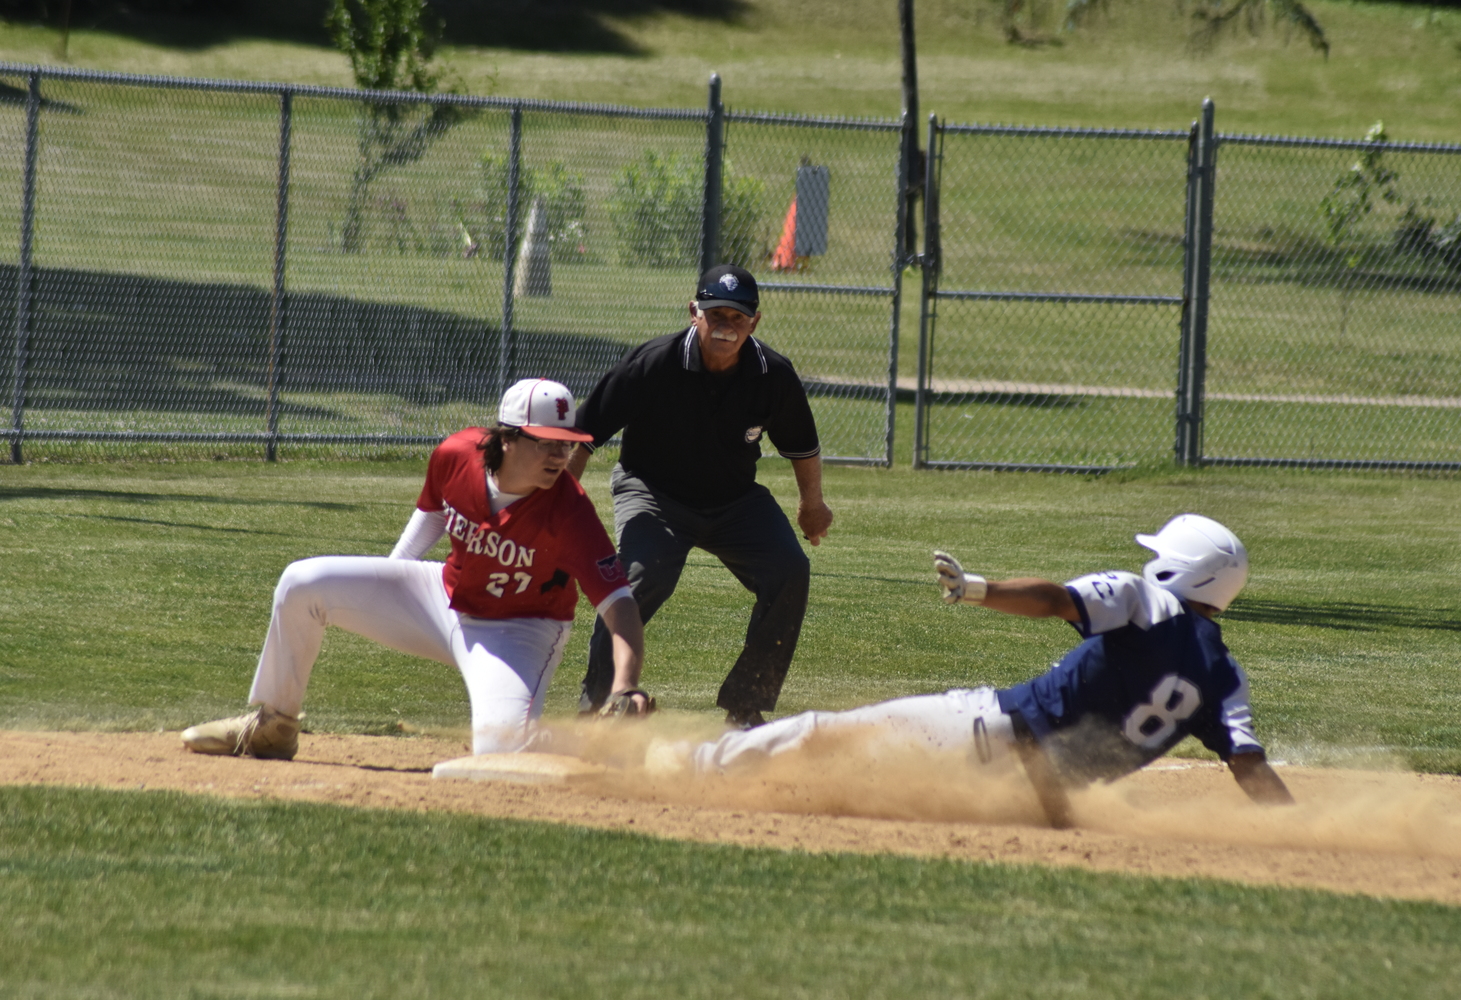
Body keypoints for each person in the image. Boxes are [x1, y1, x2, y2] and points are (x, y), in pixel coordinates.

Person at [668, 514, 1292, 826]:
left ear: (1181, 570)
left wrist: (977, 589)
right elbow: (1249, 765)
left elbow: (1054, 601)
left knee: (823, 733)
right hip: (1042, 797)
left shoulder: (1145, 599)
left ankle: (693, 769)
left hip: (991, 728)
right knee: (875, 789)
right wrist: (1297, 832)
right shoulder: (1225, 676)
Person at [181, 379, 649, 761]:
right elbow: (433, 514)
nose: (559, 458)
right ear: (506, 439)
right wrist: (389, 583)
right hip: (440, 599)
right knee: (302, 583)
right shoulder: (457, 453)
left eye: (565, 446)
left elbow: (618, 603)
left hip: (520, 631)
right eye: (546, 444)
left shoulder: (569, 509)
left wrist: (625, 685)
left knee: (500, 749)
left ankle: (600, 747)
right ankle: (274, 727)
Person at [567, 264, 834, 729]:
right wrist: (561, 507)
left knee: (789, 570)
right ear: (695, 313)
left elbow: (802, 447)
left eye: (737, 317)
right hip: (653, 492)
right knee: (638, 577)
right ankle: (599, 704)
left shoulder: (773, 375)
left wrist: (812, 505)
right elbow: (582, 437)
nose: (726, 327)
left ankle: (746, 707)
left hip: (734, 501)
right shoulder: (652, 364)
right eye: (715, 314)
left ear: (755, 322)